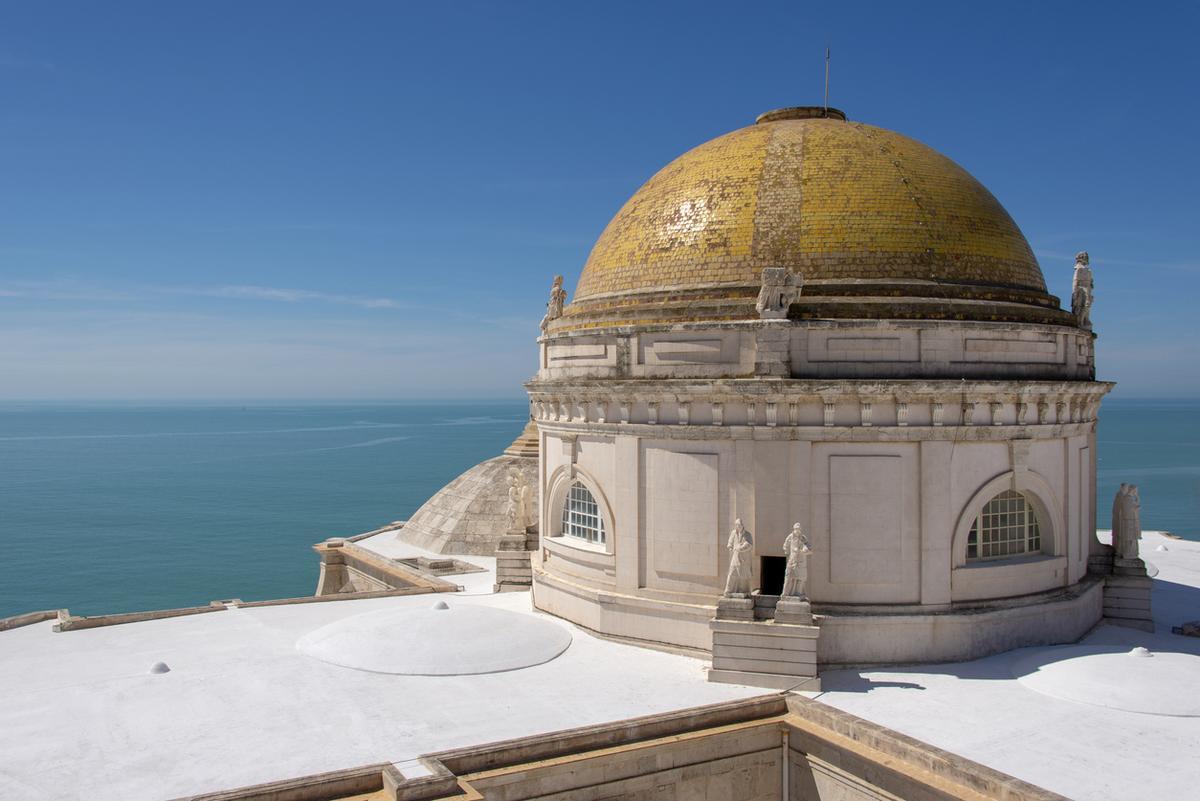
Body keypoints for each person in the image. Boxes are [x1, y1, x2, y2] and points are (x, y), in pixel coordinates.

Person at [723, 519, 753, 596]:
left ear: (742, 526)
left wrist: (740, 548)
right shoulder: (733, 533)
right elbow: (730, 542)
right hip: (735, 557)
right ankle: (728, 590)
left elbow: (749, 544)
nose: (738, 527)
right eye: (736, 525)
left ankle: (743, 591)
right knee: (732, 572)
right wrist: (730, 547)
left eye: (739, 525)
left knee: (743, 574)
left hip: (744, 559)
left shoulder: (747, 534)